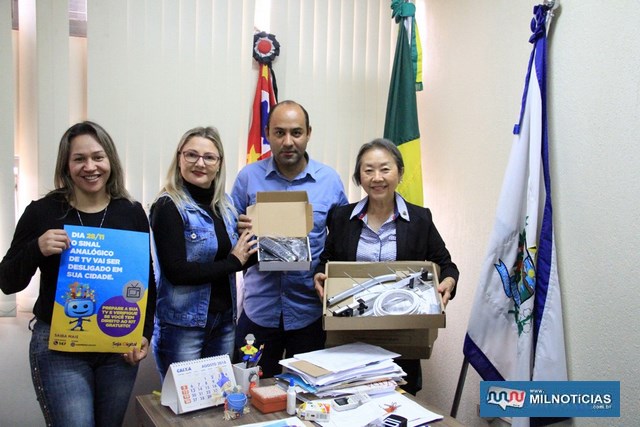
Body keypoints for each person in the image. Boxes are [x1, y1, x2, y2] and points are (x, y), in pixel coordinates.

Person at [0, 121, 156, 426]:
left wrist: (144, 334)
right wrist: (36, 247)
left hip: (117, 345)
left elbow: (146, 282)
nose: (90, 167)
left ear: (110, 160)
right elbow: (7, 281)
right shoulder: (42, 212)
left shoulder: (132, 212)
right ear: (66, 165)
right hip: (60, 348)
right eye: (79, 159)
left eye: (98, 157)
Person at [313, 138, 459, 395]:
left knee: (400, 409)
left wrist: (449, 282)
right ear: (359, 176)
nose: (377, 177)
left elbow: (447, 265)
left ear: (399, 173)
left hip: (402, 337)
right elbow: (327, 260)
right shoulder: (341, 218)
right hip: (351, 339)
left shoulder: (419, 218)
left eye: (385, 169)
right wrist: (319, 275)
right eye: (368, 170)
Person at [231, 100, 348, 378]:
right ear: (268, 134)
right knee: (250, 396)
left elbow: (342, 241)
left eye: (296, 133)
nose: (288, 141)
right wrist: (237, 226)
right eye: (279, 132)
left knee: (307, 398)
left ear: (308, 133)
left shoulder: (329, 180)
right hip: (258, 310)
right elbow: (226, 232)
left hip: (308, 312)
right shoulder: (248, 178)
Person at [150, 126, 257, 382]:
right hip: (183, 326)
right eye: (191, 155)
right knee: (183, 408)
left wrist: (268, 241)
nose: (200, 163)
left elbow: (241, 258)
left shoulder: (226, 206)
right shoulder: (168, 206)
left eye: (209, 157)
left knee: (216, 402)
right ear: (179, 158)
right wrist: (233, 261)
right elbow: (177, 271)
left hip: (223, 322)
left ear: (219, 164)